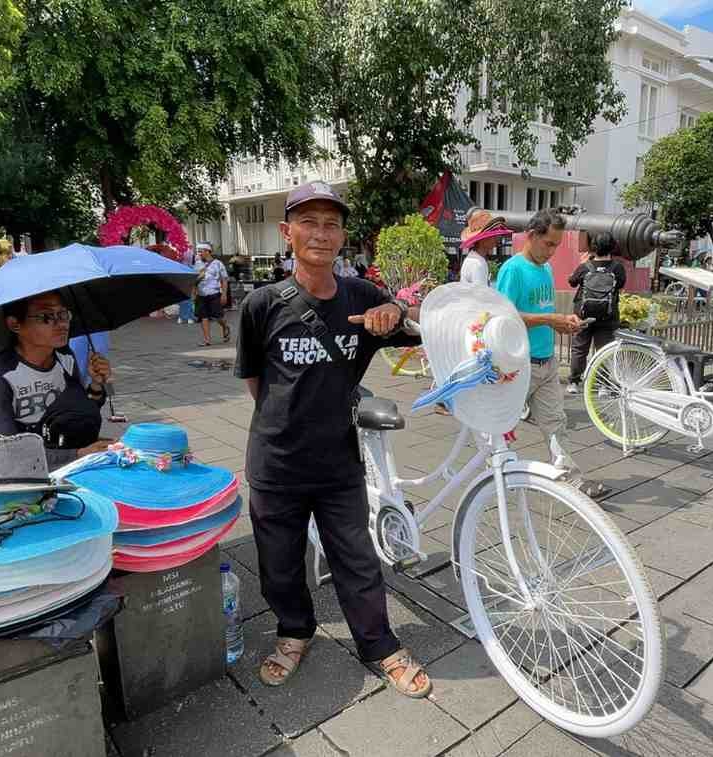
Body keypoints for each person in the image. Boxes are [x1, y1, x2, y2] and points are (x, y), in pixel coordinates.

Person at [234, 181, 431, 699]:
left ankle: (379, 644)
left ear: (343, 235)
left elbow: (415, 331)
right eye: (308, 222)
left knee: (357, 558)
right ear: (287, 232)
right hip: (275, 462)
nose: (321, 233)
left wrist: (397, 315)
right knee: (278, 562)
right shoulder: (260, 305)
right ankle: (293, 632)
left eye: (331, 223)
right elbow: (257, 382)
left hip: (340, 461)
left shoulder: (362, 297)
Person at [494, 209, 601, 496]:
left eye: (556, 245)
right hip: (519, 364)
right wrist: (550, 320)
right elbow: (503, 317)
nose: (552, 252)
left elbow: (541, 312)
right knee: (500, 425)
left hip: (546, 361)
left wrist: (561, 325)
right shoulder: (513, 269)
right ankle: (496, 478)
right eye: (549, 244)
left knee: (556, 422)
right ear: (531, 236)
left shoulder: (546, 269)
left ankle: (572, 480)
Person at [0, 290, 113, 466]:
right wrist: (79, 454)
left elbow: (77, 411)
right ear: (15, 324)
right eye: (46, 317)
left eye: (63, 314)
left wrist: (96, 385)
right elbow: (6, 452)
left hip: (66, 460)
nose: (61, 324)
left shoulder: (65, 358)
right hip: (17, 477)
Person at [566, 232, 625, 394]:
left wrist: (583, 264)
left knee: (579, 348)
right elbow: (620, 284)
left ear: (593, 248)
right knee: (604, 350)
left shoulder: (585, 266)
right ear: (612, 247)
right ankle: (603, 385)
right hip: (607, 316)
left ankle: (574, 382)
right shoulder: (617, 268)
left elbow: (571, 282)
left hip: (583, 314)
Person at [458, 210, 508, 287]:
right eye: (492, 236)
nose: (496, 239)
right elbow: (481, 295)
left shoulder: (473, 258)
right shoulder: (477, 264)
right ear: (483, 239)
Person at [194, 243, 231, 346]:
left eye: (201, 251)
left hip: (214, 293)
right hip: (201, 294)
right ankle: (207, 340)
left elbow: (224, 280)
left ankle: (225, 326)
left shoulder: (218, 264)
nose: (199, 253)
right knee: (203, 317)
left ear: (207, 251)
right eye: (198, 251)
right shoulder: (197, 264)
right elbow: (194, 280)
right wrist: (198, 279)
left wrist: (224, 294)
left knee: (218, 317)